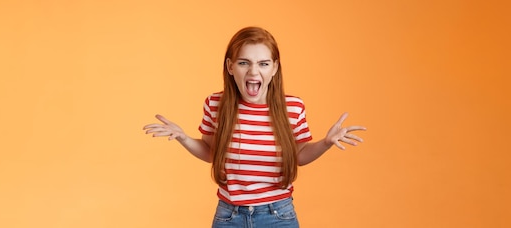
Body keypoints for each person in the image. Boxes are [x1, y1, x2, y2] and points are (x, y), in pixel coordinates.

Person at [143, 26, 366, 228]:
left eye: (263, 63)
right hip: (229, 216)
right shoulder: (215, 104)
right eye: (244, 62)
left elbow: (299, 155)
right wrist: (183, 138)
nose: (253, 72)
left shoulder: (293, 107)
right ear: (230, 67)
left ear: (275, 68)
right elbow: (212, 152)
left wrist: (326, 143)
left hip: (278, 215)